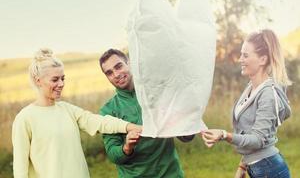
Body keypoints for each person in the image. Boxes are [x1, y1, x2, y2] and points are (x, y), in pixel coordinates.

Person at [12, 48, 141, 178]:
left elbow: (100, 122)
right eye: (55, 79)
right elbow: (20, 170)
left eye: (63, 78)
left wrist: (135, 128)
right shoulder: (25, 118)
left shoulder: (67, 110)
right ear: (38, 80)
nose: (61, 84)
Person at [202, 29, 291, 178]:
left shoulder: (267, 94)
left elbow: (257, 140)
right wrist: (242, 166)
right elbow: (247, 130)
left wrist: (224, 135)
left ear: (262, 60)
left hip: (270, 170)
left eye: (245, 55)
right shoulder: (251, 87)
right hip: (258, 167)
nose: (240, 59)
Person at [99, 48, 194, 178]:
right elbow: (113, 155)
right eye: (109, 73)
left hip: (171, 173)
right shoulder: (108, 111)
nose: (116, 74)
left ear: (129, 62)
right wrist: (126, 147)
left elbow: (186, 136)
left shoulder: (157, 93)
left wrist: (184, 123)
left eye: (119, 66)